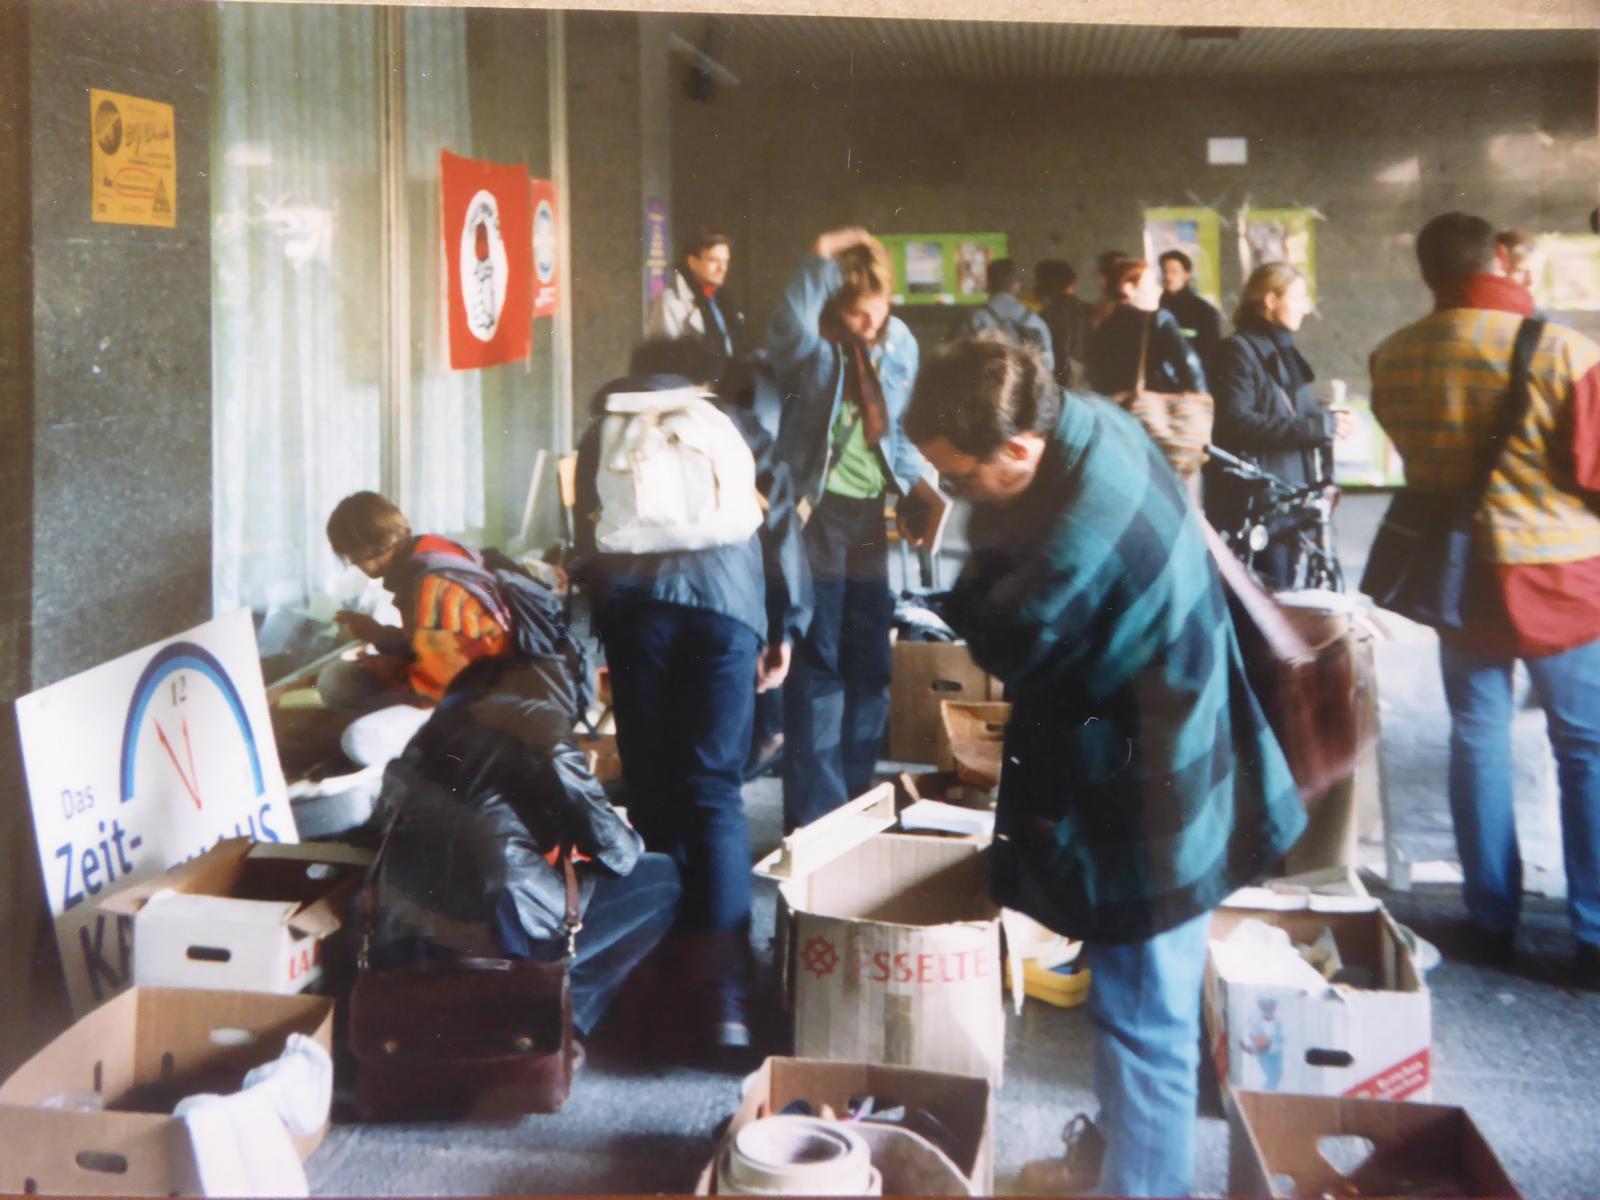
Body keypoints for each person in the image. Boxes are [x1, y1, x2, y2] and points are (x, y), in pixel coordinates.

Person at [903, 334, 1305, 1197]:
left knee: (1143, 1018)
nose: (951, 492)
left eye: (960, 477)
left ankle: (1147, 1186)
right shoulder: (1081, 417)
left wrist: (965, 583)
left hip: (1158, 780)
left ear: (1019, 448)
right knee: (1133, 997)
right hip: (1161, 735)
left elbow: (1006, 634)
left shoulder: (1076, 540)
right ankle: (1118, 1161)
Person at [1370, 211, 1600, 990]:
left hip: (1460, 577)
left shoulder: (1394, 355)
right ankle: (1594, 931)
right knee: (1586, 750)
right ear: (1500, 257)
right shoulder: (1568, 352)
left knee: (1477, 738)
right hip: (1563, 580)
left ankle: (1491, 917)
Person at [573, 341, 812, 1053]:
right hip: (726, 607)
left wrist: (597, 629)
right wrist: (784, 626)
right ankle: (727, 999)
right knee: (713, 792)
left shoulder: (605, 428)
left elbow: (586, 532)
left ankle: (659, 971)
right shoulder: (732, 421)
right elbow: (780, 526)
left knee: (652, 788)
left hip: (637, 612)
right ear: (699, 374)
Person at [369, 652, 683, 1043]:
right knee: (662, 875)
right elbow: (618, 853)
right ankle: (561, 1016)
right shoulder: (539, 720)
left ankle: (549, 1009)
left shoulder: (431, 732)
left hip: (413, 920)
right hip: (500, 914)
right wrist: (626, 835)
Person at [766, 226, 938, 832]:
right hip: (815, 516)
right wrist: (819, 255)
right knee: (819, 660)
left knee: (870, 658)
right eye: (856, 315)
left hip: (870, 516)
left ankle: (858, 799)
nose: (870, 324)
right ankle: (817, 817)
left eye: (877, 311)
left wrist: (918, 492)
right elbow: (789, 322)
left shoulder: (900, 343)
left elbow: (902, 427)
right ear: (835, 308)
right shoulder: (814, 349)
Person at [319, 492, 515, 767]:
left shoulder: (432, 588)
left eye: (351, 558)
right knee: (337, 680)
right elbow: (436, 641)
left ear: (361, 554)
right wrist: (378, 635)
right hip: (481, 680)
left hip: (481, 705)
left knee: (356, 738)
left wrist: (387, 670)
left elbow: (433, 691)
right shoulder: (436, 552)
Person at [1205, 263, 1352, 589]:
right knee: (1267, 596)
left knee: (1286, 591)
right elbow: (1234, 423)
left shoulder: (1283, 350)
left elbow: (1291, 414)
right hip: (1258, 504)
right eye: (1298, 297)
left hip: (1288, 499)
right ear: (1270, 300)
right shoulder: (1237, 351)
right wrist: (1319, 427)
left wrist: (1330, 420)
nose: (1306, 308)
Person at [1086, 258, 1207, 398]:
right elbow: (1189, 364)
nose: (1159, 290)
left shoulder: (1102, 324)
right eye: (1152, 284)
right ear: (1129, 288)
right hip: (1153, 405)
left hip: (1112, 405)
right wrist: (1200, 396)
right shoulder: (1159, 319)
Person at [646, 228, 750, 389]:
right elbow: (662, 364)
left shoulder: (721, 300)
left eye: (725, 261)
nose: (722, 268)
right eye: (714, 261)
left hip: (729, 389)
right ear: (693, 262)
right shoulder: (670, 302)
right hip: (692, 395)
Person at [946, 257, 1055, 373]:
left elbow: (950, 362)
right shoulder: (1035, 322)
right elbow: (1048, 367)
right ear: (1017, 286)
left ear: (988, 285)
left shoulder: (970, 319)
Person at [1158, 249, 1223, 381]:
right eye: (1164, 271)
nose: (1168, 276)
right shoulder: (1155, 307)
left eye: (1174, 271)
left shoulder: (1203, 311)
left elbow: (1210, 354)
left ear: (1186, 275)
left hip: (1191, 380)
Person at [1034, 258, 1092, 388]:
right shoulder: (1088, 309)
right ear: (1071, 284)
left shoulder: (1043, 315)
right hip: (1086, 379)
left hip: (1055, 380)